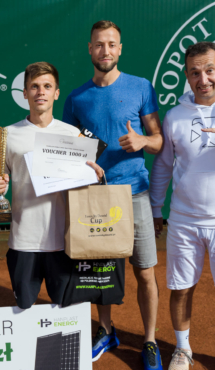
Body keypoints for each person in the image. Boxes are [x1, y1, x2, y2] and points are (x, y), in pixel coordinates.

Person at [62, 20, 163, 370]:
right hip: (94, 197)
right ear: (89, 49)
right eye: (99, 44)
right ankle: (106, 330)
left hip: (134, 193)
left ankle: (150, 341)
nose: (105, 50)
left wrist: (142, 142)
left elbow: (158, 139)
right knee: (99, 270)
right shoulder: (76, 98)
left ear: (120, 49)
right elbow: (70, 148)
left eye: (112, 44)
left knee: (145, 272)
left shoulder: (141, 88)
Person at [0, 62, 104, 310]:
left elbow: (86, 184)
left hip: (64, 241)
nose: (41, 92)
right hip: (23, 240)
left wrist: (95, 176)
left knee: (64, 309)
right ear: (25, 93)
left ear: (56, 93)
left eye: (47, 86)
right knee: (24, 309)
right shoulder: (7, 135)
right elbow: (2, 183)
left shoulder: (74, 134)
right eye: (34, 86)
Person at [150, 41, 215, 370]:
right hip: (184, 220)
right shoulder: (175, 116)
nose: (203, 78)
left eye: (209, 70)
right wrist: (155, 209)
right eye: (195, 72)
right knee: (181, 287)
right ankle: (182, 349)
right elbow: (162, 167)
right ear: (187, 78)